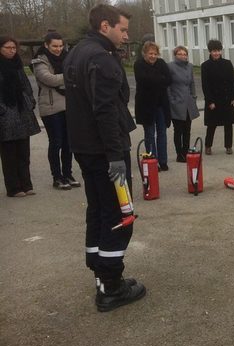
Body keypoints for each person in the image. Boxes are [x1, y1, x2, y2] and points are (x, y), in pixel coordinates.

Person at [63, 4, 146, 311]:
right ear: (104, 27)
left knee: (98, 211)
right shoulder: (101, 57)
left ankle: (101, 275)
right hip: (105, 152)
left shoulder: (76, 53)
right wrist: (115, 157)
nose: (126, 36)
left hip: (86, 149)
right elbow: (105, 110)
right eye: (122, 30)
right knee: (119, 216)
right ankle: (111, 287)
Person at [31, 31, 81, 190]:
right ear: (46, 45)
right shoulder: (39, 61)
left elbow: (76, 76)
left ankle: (68, 174)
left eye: (60, 46)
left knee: (68, 143)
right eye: (54, 46)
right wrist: (69, 77)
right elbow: (48, 79)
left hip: (69, 106)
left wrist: (65, 78)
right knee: (56, 142)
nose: (58, 49)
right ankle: (57, 177)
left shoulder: (68, 57)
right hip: (51, 109)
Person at [0, 36, 41, 198]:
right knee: (9, 154)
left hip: (21, 111)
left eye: (13, 48)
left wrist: (30, 101)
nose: (11, 51)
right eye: (7, 48)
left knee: (24, 152)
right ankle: (14, 187)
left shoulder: (17, 64)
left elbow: (26, 85)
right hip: (5, 114)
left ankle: (26, 184)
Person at [134, 41, 171, 170]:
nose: (153, 56)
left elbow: (168, 80)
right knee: (149, 134)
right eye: (150, 53)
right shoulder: (139, 64)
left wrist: (155, 79)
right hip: (146, 106)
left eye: (155, 54)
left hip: (161, 104)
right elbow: (143, 80)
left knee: (162, 132)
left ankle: (163, 160)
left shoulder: (161, 63)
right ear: (145, 53)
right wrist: (158, 79)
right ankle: (152, 160)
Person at [201, 39, 234, 155]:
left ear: (221, 51)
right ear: (210, 52)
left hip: (227, 99)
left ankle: (228, 146)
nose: (216, 53)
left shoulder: (227, 63)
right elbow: (205, 86)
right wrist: (210, 101)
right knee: (212, 125)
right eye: (213, 51)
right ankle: (208, 146)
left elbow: (233, 81)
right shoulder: (205, 66)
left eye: (218, 51)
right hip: (213, 100)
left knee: (228, 124)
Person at [167, 45, 199, 162]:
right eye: (180, 54)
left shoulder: (190, 66)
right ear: (175, 55)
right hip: (177, 103)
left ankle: (186, 152)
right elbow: (168, 86)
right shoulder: (170, 66)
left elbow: (192, 84)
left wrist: (193, 97)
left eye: (185, 54)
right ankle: (179, 154)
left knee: (187, 130)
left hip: (188, 103)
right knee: (178, 130)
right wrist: (172, 100)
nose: (183, 56)